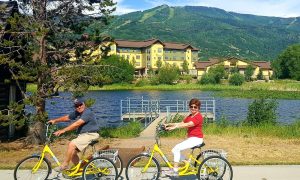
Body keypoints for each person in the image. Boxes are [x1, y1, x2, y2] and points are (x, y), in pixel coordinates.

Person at [48, 99, 99, 172]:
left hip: (91, 134)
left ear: (84, 104)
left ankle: (65, 165)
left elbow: (76, 124)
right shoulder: (78, 112)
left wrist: (63, 130)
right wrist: (55, 120)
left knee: (72, 144)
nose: (78, 107)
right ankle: (81, 169)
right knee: (72, 153)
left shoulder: (87, 112)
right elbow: (67, 117)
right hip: (83, 135)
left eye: (80, 105)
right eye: (76, 106)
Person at [164, 98, 204, 177]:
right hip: (192, 139)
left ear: (198, 108)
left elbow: (188, 124)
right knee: (174, 150)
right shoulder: (190, 116)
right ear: (189, 107)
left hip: (196, 139)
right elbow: (181, 123)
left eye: (195, 107)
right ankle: (186, 163)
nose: (193, 108)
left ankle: (175, 171)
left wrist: (175, 128)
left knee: (176, 148)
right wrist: (169, 124)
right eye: (191, 106)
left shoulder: (198, 117)